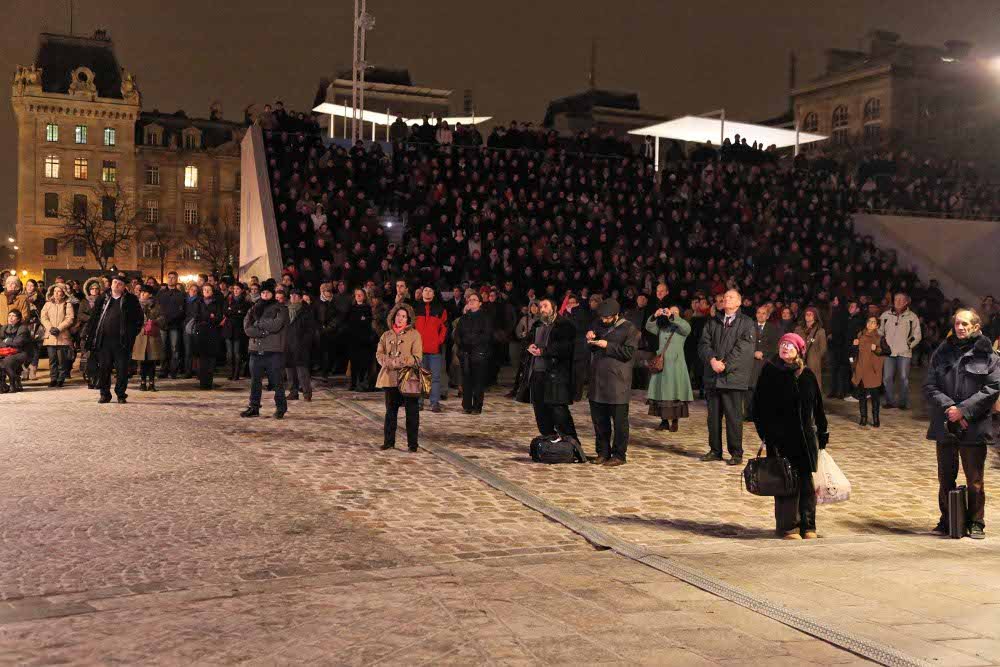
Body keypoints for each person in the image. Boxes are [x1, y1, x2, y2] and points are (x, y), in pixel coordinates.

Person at [924, 308, 1000, 540]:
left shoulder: (989, 355)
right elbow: (929, 385)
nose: (960, 327)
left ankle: (976, 522)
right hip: (946, 423)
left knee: (974, 479)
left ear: (976, 326)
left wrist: (964, 411)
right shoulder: (942, 351)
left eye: (965, 323)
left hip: (974, 425)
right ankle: (948, 519)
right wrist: (950, 409)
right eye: (957, 323)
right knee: (945, 477)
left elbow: (993, 387)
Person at [752, 333, 829, 540]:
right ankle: (789, 527)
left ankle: (808, 525)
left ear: (798, 350)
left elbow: (818, 408)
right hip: (780, 439)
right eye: (783, 344)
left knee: (806, 484)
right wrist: (767, 435)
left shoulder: (807, 375)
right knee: (785, 483)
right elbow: (758, 408)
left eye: (790, 345)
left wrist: (822, 433)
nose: (785, 348)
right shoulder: (770, 371)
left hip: (804, 440)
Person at [698, 289, 755, 465]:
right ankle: (715, 450)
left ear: (739, 303)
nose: (726, 299)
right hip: (713, 376)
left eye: (731, 297)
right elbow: (703, 344)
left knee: (733, 418)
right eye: (725, 297)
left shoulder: (746, 323)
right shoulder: (713, 321)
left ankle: (736, 453)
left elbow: (743, 349)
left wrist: (725, 365)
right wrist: (712, 360)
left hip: (733, 378)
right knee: (713, 418)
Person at [586, 299, 640, 466]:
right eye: (603, 317)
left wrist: (607, 345)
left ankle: (619, 455)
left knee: (619, 422)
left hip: (618, 382)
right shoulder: (597, 323)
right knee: (599, 421)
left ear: (616, 315)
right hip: (598, 380)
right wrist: (591, 339)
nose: (604, 321)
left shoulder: (629, 328)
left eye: (608, 318)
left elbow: (628, 353)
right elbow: (593, 348)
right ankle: (602, 452)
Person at [520, 298, 578, 438]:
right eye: (540, 307)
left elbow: (565, 347)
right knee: (540, 410)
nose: (542, 309)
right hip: (537, 373)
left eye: (545, 306)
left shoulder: (565, 325)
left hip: (555, 375)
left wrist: (544, 351)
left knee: (558, 410)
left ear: (555, 307)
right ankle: (548, 440)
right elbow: (527, 340)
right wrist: (530, 346)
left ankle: (571, 444)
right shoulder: (537, 324)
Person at [85, 276, 142, 404]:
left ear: (124, 287)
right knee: (104, 369)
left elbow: (138, 320)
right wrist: (90, 334)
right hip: (104, 341)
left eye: (120, 284)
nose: (116, 285)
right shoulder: (103, 298)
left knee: (122, 369)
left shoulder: (131, 300)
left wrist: (131, 335)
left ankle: (121, 394)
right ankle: (105, 394)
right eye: (115, 282)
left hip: (122, 342)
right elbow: (94, 318)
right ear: (111, 284)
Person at [375, 302, 422, 451]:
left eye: (403, 316)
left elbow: (417, 357)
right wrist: (388, 361)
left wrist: (401, 361)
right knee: (390, 412)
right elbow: (379, 353)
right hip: (390, 377)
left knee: (412, 413)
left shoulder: (415, 335)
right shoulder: (386, 335)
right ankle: (389, 442)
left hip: (408, 378)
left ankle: (412, 444)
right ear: (393, 317)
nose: (400, 319)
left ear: (408, 319)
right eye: (398, 316)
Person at [241, 281, 289, 418]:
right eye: (262, 292)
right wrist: (262, 332)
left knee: (276, 382)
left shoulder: (280, 308)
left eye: (267, 292)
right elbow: (247, 327)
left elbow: (276, 325)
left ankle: (281, 408)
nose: (265, 295)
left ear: (273, 293)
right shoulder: (254, 308)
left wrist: (259, 324)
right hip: (256, 350)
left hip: (273, 351)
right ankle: (254, 407)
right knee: (255, 381)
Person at [645, 305, 693, 432]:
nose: (672, 313)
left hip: (676, 365)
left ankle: (675, 421)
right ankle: (664, 421)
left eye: (675, 312)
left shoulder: (681, 327)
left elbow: (687, 329)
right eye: (670, 311)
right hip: (662, 364)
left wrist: (673, 316)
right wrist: (655, 315)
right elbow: (649, 327)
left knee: (676, 393)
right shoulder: (662, 326)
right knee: (661, 393)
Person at [880, 292, 922, 410]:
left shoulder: (912, 317)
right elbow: (880, 331)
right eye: (896, 299)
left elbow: (917, 335)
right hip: (888, 353)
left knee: (903, 378)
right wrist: (882, 345)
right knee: (887, 378)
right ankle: (889, 401)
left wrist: (908, 345)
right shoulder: (885, 315)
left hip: (904, 353)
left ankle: (903, 402)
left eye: (900, 299)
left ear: (906, 302)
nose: (897, 301)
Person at [454, 292, 491, 414]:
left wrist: (472, 342)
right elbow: (457, 334)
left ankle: (477, 406)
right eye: (469, 299)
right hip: (465, 353)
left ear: (480, 303)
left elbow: (486, 335)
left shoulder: (485, 317)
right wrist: (462, 343)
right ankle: (467, 406)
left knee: (478, 381)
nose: (471, 301)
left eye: (474, 299)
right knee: (467, 381)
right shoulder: (464, 317)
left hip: (479, 353)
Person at [414, 287, 448, 412]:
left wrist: (438, 341)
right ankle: (419, 402)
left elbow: (444, 328)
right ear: (422, 293)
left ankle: (434, 403)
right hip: (419, 349)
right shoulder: (415, 308)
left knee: (435, 377)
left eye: (430, 291)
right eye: (425, 290)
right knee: (420, 376)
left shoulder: (440, 309)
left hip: (435, 350)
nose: (427, 292)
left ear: (434, 294)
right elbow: (411, 327)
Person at [747, 305, 780, 419]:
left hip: (765, 362)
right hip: (751, 362)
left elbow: (775, 346)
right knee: (750, 388)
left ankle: (763, 413)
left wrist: (763, 353)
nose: (760, 315)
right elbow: (744, 343)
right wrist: (753, 352)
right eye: (758, 313)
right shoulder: (749, 327)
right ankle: (749, 413)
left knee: (763, 388)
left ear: (768, 316)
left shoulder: (773, 328)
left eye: (763, 313)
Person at [851, 316, 885, 427]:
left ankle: (876, 418)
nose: (870, 324)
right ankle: (863, 417)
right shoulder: (860, 336)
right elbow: (854, 352)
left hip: (873, 369)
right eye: (869, 321)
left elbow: (887, 351)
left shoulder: (879, 338)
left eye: (873, 322)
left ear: (877, 326)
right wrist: (854, 345)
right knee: (862, 395)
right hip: (861, 368)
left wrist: (876, 349)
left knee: (875, 396)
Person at [284, 289, 316, 401]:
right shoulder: (286, 309)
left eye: (295, 295)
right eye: (291, 295)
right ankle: (293, 392)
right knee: (290, 371)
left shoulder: (306, 310)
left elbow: (310, 329)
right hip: (288, 344)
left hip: (301, 344)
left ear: (300, 298)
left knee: (302, 371)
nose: (292, 297)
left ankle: (307, 393)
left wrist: (304, 342)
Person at [40, 283, 75, 387]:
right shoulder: (47, 304)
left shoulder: (67, 304)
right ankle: (53, 378)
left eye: (59, 291)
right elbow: (43, 317)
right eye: (55, 291)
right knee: (52, 359)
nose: (56, 293)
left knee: (62, 359)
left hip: (62, 336)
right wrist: (50, 328)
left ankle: (61, 378)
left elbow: (70, 318)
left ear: (63, 293)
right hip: (50, 335)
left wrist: (59, 328)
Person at [132, 284, 165, 392]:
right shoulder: (136, 305)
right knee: (141, 361)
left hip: (152, 336)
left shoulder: (156, 305)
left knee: (151, 360)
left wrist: (154, 321)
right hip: (140, 335)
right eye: (141, 292)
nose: (142, 294)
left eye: (145, 292)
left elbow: (162, 318)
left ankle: (151, 383)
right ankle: (142, 382)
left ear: (150, 294)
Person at [192, 284, 224, 389]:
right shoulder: (198, 302)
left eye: (208, 290)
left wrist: (209, 317)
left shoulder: (216, 303)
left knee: (211, 359)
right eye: (204, 289)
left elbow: (218, 317)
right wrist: (210, 315)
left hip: (213, 332)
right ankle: (202, 382)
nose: (206, 291)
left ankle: (209, 383)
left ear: (212, 291)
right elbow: (196, 316)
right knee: (202, 359)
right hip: (201, 332)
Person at [156, 271, 186, 379]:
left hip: (175, 325)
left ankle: (173, 370)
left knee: (174, 348)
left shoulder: (180, 294)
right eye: (169, 277)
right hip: (163, 324)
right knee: (163, 347)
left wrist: (172, 318)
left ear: (177, 279)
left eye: (173, 278)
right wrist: (161, 319)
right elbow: (157, 307)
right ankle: (163, 370)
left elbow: (182, 310)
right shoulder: (161, 293)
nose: (171, 279)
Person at [345, 288, 375, 391]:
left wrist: (361, 321)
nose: (358, 296)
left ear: (364, 296)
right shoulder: (351, 308)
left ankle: (361, 383)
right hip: (353, 339)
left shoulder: (367, 308)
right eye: (356, 294)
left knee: (363, 362)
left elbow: (367, 321)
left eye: (360, 294)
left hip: (364, 340)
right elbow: (349, 322)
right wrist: (359, 320)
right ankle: (353, 383)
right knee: (353, 362)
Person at [75, 278, 101, 388]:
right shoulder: (84, 301)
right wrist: (91, 318)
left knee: (98, 356)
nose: (94, 291)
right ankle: (89, 377)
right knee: (87, 355)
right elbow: (80, 315)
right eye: (92, 289)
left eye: (96, 289)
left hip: (100, 330)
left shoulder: (103, 300)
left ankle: (98, 378)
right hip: (86, 331)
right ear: (88, 290)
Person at [795, 307, 828, 392]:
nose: (808, 316)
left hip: (813, 361)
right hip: (799, 360)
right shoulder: (798, 329)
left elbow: (823, 348)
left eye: (811, 314)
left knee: (814, 382)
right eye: (807, 314)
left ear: (815, 317)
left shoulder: (820, 331)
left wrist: (816, 357)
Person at [222, 283, 251, 380]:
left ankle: (236, 374)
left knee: (237, 353)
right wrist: (236, 311)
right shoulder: (228, 300)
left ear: (242, 290)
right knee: (230, 354)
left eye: (238, 289)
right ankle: (231, 372)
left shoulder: (245, 302)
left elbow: (243, 314)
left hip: (238, 330)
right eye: (234, 289)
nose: (235, 290)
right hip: (228, 329)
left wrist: (233, 311)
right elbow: (225, 311)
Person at [0, 309, 31, 393]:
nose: (10, 318)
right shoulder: (4, 327)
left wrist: (6, 341)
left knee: (7, 361)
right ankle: (2, 385)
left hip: (21, 352)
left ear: (18, 319)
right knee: (3, 360)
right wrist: (8, 342)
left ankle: (13, 384)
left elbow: (19, 342)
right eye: (9, 316)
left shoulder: (23, 328)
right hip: (6, 352)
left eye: (13, 316)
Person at [182, 284, 200, 378]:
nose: (193, 291)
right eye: (191, 289)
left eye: (195, 290)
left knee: (196, 350)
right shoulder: (184, 300)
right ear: (188, 290)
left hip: (196, 326)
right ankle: (188, 371)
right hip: (186, 326)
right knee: (188, 350)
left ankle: (197, 371)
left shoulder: (199, 301)